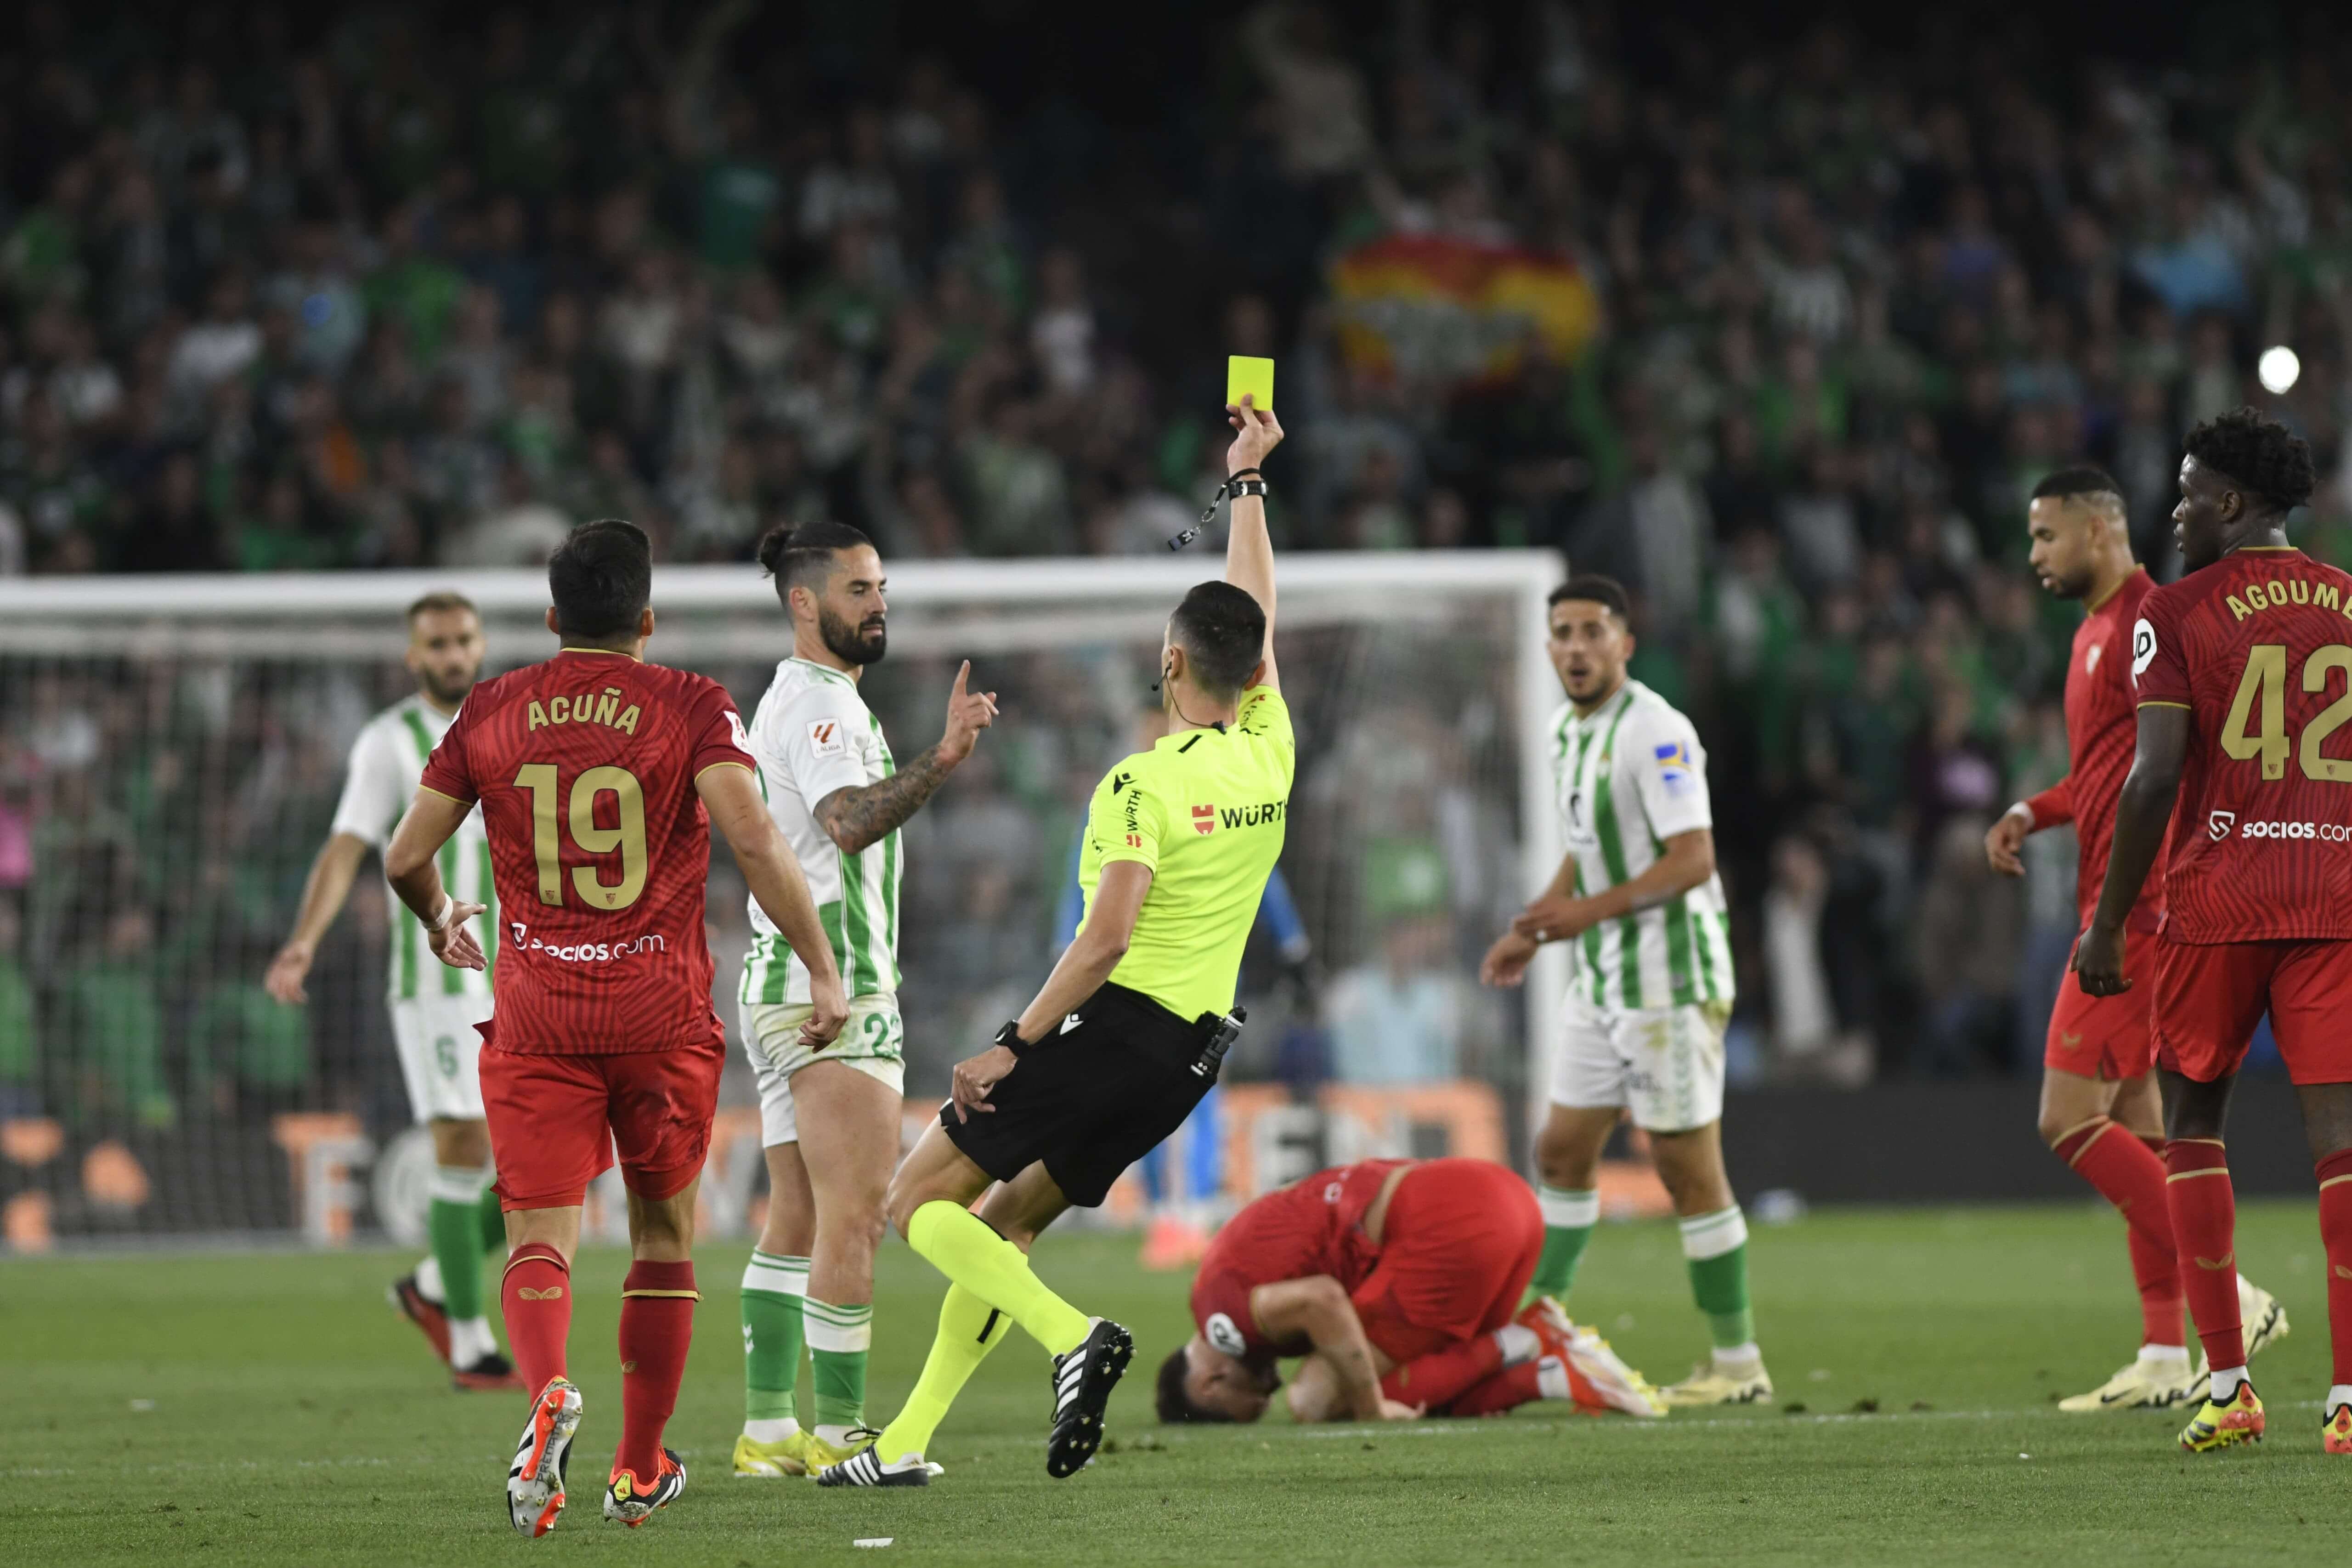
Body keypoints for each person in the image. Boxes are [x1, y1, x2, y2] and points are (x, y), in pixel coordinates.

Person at [816, 396, 1293, 1487]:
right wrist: (1249, 482)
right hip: (1189, 1058)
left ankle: (1073, 1338)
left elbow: (1105, 939)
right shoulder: (1268, 755)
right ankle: (903, 1443)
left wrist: (1010, 1043)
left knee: (914, 1205)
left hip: (1114, 1027)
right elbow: (1251, 608)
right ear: (1247, 671)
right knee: (1005, 1228)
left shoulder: (1140, 782)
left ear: (1172, 665)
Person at [382, 519, 848, 1533]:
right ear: (646, 618)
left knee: (538, 1235)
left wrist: (438, 915)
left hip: (540, 1011)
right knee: (662, 1233)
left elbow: (402, 854)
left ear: (552, 617)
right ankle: (639, 1465)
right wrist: (821, 965)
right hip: (658, 1014)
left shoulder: (492, 707)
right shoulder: (690, 705)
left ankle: (546, 1389)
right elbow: (758, 840)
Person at [2075, 408, 2352, 1456]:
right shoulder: (2347, 604)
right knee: (2341, 1148)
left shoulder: (2174, 612)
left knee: (2191, 1123)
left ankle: (2229, 1382)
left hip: (2218, 901)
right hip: (2331, 896)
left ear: (2231, 503)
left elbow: (2153, 777)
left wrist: (2106, 923)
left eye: (2190, 491)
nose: (2177, 509)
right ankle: (2346, 1402)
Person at [1985, 467, 2284, 1412]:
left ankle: (2231, 1295)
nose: (2034, 555)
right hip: (2119, 901)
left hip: (2145, 909)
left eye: (2045, 535)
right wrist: (2034, 809)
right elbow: (2109, 770)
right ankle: (2162, 1348)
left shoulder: (2151, 619)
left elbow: (2177, 764)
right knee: (2148, 1133)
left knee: (2066, 1116)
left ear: (2101, 528)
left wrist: (2134, 908)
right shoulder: (2093, 632)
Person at [731, 519, 999, 1480]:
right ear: (805, 602)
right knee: (855, 1214)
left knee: (796, 1214)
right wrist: (947, 755)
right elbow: (847, 824)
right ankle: (846, 1437)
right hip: (832, 989)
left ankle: (767, 1430)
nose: (878, 602)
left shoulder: (796, 695)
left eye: (881, 586)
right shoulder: (825, 710)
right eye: (857, 590)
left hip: (777, 984)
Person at [1479, 574, 1761, 1404]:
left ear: (1624, 644)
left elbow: (1694, 858)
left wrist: (1582, 915)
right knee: (1561, 1149)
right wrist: (1533, 928)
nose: (1575, 646)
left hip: (1669, 981)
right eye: (1561, 632)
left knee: (1686, 1169)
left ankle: (1738, 1362)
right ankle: (1538, 1320)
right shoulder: (1573, 733)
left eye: (1592, 631)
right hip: (1602, 978)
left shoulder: (1656, 732)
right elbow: (1587, 845)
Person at [264, 592, 519, 1390]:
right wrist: (304, 939)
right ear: (413, 655)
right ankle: (471, 1339)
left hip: (527, 973)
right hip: (434, 978)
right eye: (436, 643)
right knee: (463, 1147)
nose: (452, 653)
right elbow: (346, 848)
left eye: (463, 639)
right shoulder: (388, 742)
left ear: (482, 643)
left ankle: (435, 1284)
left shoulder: (516, 723)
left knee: (565, 1156)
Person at [1047, 699, 1314, 1272]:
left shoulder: (1214, 791)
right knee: (1132, 1094)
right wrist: (1064, 957)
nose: (1152, 737)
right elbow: (1082, 882)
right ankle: (1161, 1207)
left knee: (1195, 1088)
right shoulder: (1119, 797)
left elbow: (1260, 866)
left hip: (1202, 978)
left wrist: (1292, 945)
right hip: (1127, 980)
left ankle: (1190, 1210)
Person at [1155, 1156, 1665, 1425]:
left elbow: (1322, 1299)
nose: (1269, 1385)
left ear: (1211, 1382)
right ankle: (1549, 1374)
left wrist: (1369, 1406)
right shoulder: (1223, 1273)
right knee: (1424, 1383)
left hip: (1451, 1223)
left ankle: (1525, 1338)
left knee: (1316, 1398)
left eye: (1255, 1394)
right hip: (1497, 1194)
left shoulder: (1225, 1315)